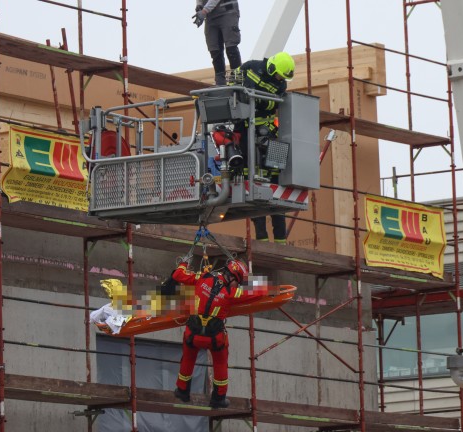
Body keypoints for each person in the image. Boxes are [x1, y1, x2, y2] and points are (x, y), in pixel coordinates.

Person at [168, 258, 262, 408]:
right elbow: (258, 293)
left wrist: (183, 263)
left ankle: (182, 390)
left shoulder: (203, 277)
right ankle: (218, 398)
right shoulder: (231, 293)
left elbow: (178, 276)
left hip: (193, 334)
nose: (237, 284)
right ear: (232, 277)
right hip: (214, 338)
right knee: (220, 363)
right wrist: (252, 280)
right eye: (237, 281)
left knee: (188, 358)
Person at [233, 51, 295, 243]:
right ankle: (261, 237)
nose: (279, 79)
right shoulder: (250, 67)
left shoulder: (281, 84)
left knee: (274, 177)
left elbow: (270, 106)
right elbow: (233, 82)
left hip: (264, 129)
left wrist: (256, 100)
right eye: (278, 74)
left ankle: (280, 241)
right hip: (243, 127)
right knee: (248, 176)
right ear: (271, 68)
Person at [192, 0, 242, 85]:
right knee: (214, 50)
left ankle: (237, 79)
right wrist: (199, 6)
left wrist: (204, 11)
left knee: (231, 47)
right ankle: (220, 82)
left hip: (227, 11)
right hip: (210, 16)